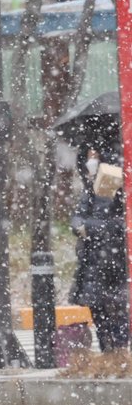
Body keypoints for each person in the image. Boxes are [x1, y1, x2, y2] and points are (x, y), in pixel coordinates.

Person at [71, 148, 130, 351]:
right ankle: (109, 352)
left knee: (119, 309)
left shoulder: (123, 186)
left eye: (94, 156)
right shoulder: (91, 187)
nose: (91, 161)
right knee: (98, 309)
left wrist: (92, 226)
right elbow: (78, 216)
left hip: (115, 262)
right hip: (93, 260)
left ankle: (120, 352)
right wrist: (81, 225)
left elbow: (120, 224)